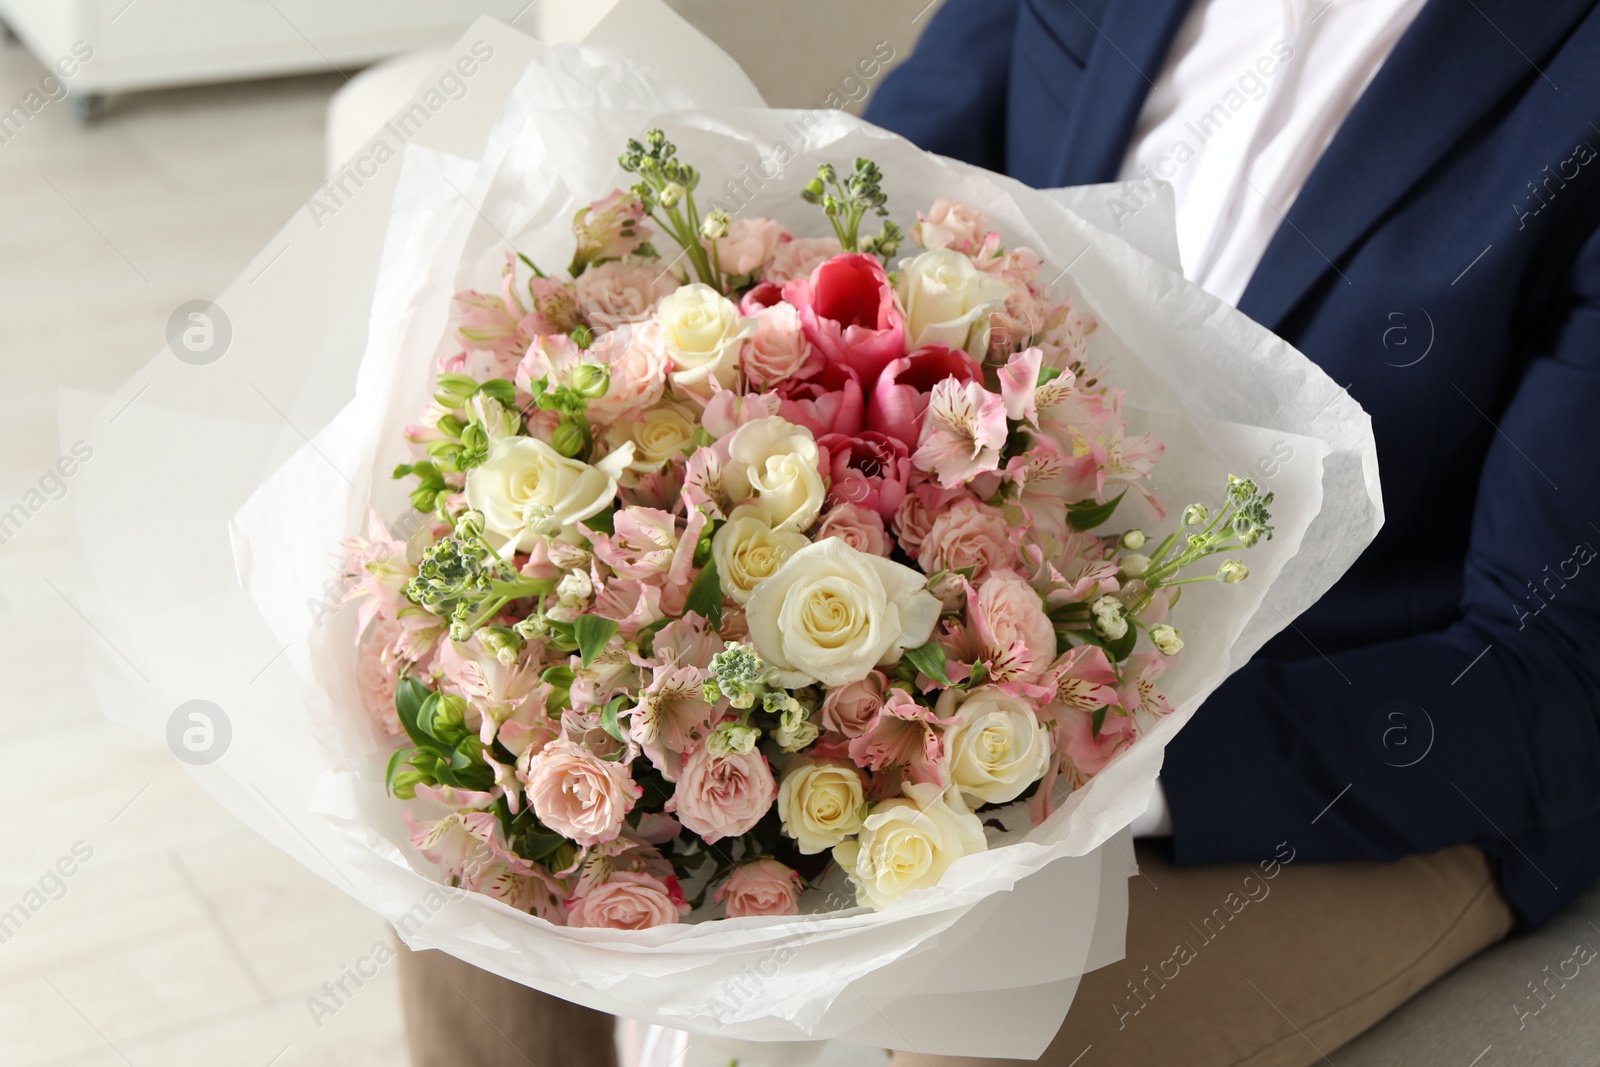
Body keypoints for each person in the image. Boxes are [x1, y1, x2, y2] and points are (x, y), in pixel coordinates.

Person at [397, 2, 1600, 1063]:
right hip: (968, 643)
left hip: (1368, 770)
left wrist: (1079, 750)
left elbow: (1556, 679)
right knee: (475, 832)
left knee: (964, 1036)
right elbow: (843, 223)